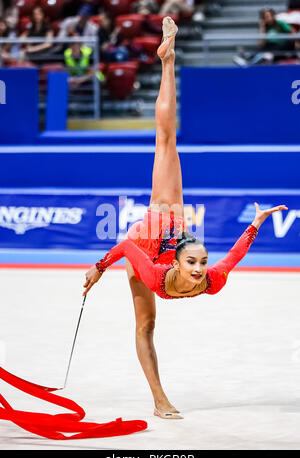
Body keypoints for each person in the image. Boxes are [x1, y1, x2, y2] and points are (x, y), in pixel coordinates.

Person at [83, 17, 288, 418]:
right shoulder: (170, 275)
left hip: (161, 238)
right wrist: (97, 268)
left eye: (201, 263)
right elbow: (126, 244)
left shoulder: (206, 280)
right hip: (156, 226)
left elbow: (229, 257)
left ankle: (166, 59)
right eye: (195, 263)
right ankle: (167, 60)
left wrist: (256, 221)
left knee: (146, 327)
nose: (201, 269)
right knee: (167, 137)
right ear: (180, 261)